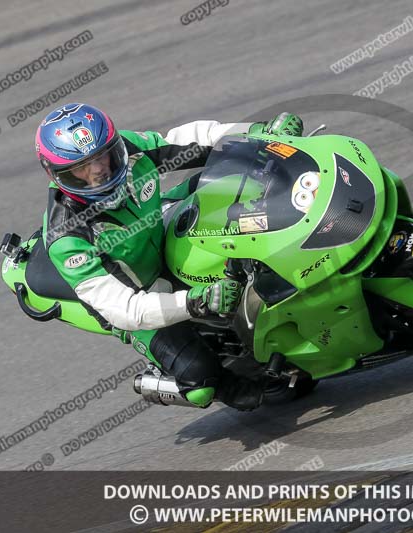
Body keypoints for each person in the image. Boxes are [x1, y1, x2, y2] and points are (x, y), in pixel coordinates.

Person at [35, 102, 303, 409]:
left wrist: (259, 133)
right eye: (82, 167)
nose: (98, 169)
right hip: (140, 295)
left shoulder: (124, 148)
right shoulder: (67, 238)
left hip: (161, 229)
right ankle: (210, 382)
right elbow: (125, 310)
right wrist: (195, 302)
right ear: (59, 175)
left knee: (239, 177)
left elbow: (186, 140)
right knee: (204, 382)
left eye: (101, 156)